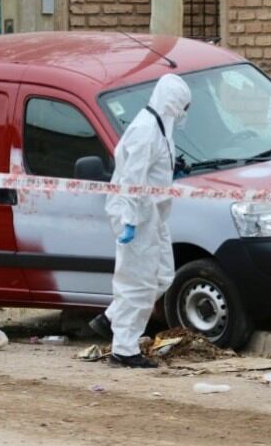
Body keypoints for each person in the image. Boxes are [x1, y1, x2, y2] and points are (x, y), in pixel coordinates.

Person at [89, 73, 191, 367]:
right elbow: (133, 178)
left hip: (153, 214)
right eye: (183, 106)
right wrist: (130, 219)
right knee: (137, 282)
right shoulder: (146, 130)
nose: (184, 113)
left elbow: (153, 166)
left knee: (162, 275)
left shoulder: (160, 126)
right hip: (137, 216)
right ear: (172, 102)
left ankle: (110, 319)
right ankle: (125, 348)